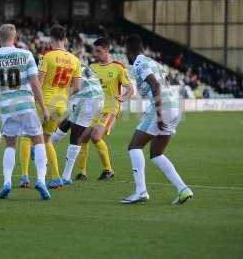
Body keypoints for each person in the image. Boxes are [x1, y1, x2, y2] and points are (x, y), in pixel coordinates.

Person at [121, 34, 193, 205]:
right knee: (156, 154)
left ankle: (141, 192)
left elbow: (156, 85)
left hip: (161, 108)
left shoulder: (139, 63)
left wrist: (160, 114)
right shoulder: (155, 63)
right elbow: (165, 83)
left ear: (128, 51)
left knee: (134, 146)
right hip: (175, 107)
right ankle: (183, 189)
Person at [0, 24, 51, 200]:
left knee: (10, 146)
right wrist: (43, 108)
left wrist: (3, 101)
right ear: (15, 37)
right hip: (27, 105)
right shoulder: (26, 54)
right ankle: (42, 181)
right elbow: (35, 84)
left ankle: (7, 182)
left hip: (7, 108)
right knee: (39, 142)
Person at [18, 24, 82, 189]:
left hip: (44, 103)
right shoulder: (75, 60)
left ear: (51, 39)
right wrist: (65, 94)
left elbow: (38, 82)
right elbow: (78, 87)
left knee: (26, 136)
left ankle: (24, 177)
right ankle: (56, 178)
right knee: (46, 140)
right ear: (65, 40)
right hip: (61, 106)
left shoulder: (47, 56)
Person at [75, 38, 134, 181]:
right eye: (94, 51)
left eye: (98, 51)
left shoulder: (118, 67)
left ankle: (108, 170)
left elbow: (130, 89)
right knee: (82, 137)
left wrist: (124, 97)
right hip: (93, 108)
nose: (95, 54)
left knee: (95, 136)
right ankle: (82, 173)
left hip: (110, 107)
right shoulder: (92, 67)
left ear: (107, 50)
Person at [50, 64, 104, 184]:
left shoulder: (65, 67)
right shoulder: (78, 63)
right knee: (67, 122)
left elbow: (69, 88)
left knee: (76, 135)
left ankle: (66, 176)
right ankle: (47, 147)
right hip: (95, 98)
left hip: (88, 99)